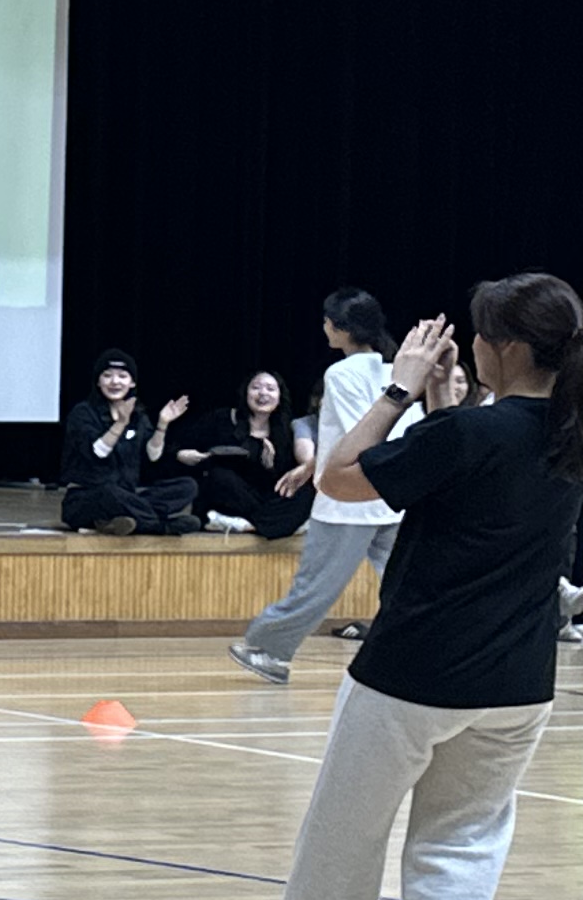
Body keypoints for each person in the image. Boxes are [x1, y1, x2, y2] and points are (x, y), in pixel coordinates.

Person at [234, 279, 583, 900]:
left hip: (412, 674)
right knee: (464, 844)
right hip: (517, 683)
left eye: (482, 334)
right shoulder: (563, 433)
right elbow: (473, 469)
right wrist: (447, 402)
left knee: (345, 836)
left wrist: (399, 389)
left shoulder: (468, 433)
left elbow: (341, 476)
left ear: (506, 347)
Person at [235, 290, 410, 684]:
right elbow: (390, 433)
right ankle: (427, 651)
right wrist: (312, 466)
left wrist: (321, 469)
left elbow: (358, 436)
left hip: (347, 500)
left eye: (328, 321)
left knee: (316, 585)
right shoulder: (395, 372)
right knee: (406, 583)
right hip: (390, 499)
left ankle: (268, 650)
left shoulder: (342, 374)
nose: (325, 327)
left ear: (342, 329)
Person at [60, 352, 198, 534]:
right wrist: (120, 424)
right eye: (107, 375)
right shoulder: (83, 413)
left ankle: (119, 522)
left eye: (122, 376)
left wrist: (163, 424)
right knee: (110, 493)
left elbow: (152, 456)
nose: (115, 382)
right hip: (87, 498)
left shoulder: (138, 416)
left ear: (132, 383)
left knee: (187, 486)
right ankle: (159, 526)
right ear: (98, 382)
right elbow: (97, 453)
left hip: (127, 497)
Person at [179, 368, 313, 539]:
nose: (263, 393)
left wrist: (269, 467)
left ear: (280, 397)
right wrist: (182, 455)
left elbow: (281, 481)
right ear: (245, 393)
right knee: (219, 477)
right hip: (230, 494)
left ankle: (249, 525)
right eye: (256, 387)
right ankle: (278, 524)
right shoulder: (223, 418)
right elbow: (181, 445)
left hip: (264, 498)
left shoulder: (285, 430)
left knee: (305, 489)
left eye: (270, 389)